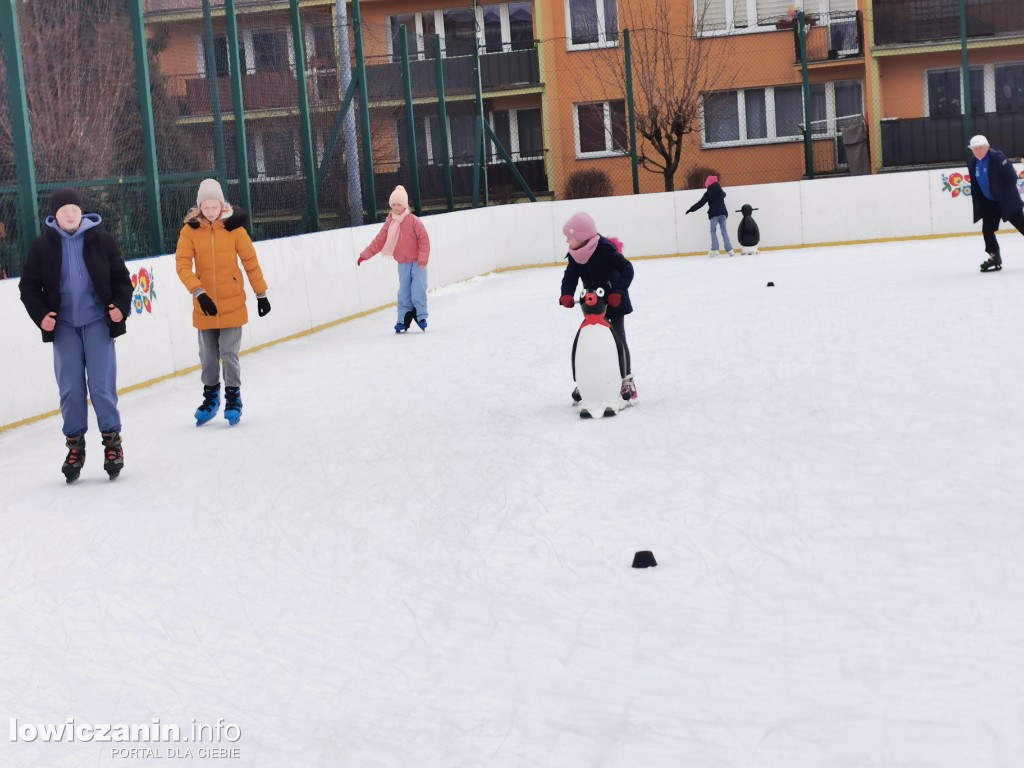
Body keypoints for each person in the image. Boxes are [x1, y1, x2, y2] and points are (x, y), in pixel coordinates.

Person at [19, 187, 133, 483]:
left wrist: (121, 307)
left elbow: (122, 279)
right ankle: (75, 448)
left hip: (97, 322)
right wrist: (41, 315)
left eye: (74, 209)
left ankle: (112, 444)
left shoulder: (101, 240)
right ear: (54, 216)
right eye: (63, 210)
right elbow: (28, 288)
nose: (70, 214)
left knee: (101, 385)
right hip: (64, 327)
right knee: (70, 389)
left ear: (81, 212)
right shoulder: (43, 247)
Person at [175, 179, 270, 426]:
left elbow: (250, 261)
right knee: (207, 356)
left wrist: (261, 294)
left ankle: (233, 398)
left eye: (213, 206)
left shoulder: (235, 229)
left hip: (232, 304)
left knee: (229, 354)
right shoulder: (190, 230)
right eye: (205, 207)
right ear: (199, 207)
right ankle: (211, 398)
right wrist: (198, 292)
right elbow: (182, 265)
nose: (209, 211)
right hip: (204, 306)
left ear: (221, 205)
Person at [558, 211, 637, 403]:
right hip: (593, 304)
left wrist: (618, 291)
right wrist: (566, 293)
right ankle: (587, 381)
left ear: (582, 236)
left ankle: (627, 380)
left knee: (618, 339)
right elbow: (570, 275)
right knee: (589, 341)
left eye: (570, 237)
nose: (567, 241)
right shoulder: (576, 254)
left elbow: (627, 269)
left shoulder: (604, 249)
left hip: (614, 301)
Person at [357, 185, 431, 333]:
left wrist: (423, 259)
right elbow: (379, 241)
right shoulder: (390, 223)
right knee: (403, 291)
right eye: (393, 205)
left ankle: (421, 316)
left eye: (399, 204)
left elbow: (424, 239)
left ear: (405, 205)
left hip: (418, 262)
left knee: (418, 289)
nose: (396, 207)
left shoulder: (414, 221)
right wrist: (364, 255)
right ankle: (402, 319)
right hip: (403, 263)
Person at [967, 135, 1024, 272]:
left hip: (1006, 202)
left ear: (987, 147)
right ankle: (995, 257)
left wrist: (1004, 195)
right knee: (987, 230)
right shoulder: (973, 162)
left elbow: (1011, 177)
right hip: (990, 203)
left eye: (980, 148)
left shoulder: (998, 158)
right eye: (974, 149)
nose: (977, 151)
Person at [686, 174, 736, 257]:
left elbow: (700, 203)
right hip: (723, 213)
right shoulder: (720, 191)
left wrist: (691, 209)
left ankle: (715, 249)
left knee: (713, 230)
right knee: (724, 231)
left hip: (714, 214)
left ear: (708, 184)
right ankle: (730, 249)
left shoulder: (708, 193)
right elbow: (724, 194)